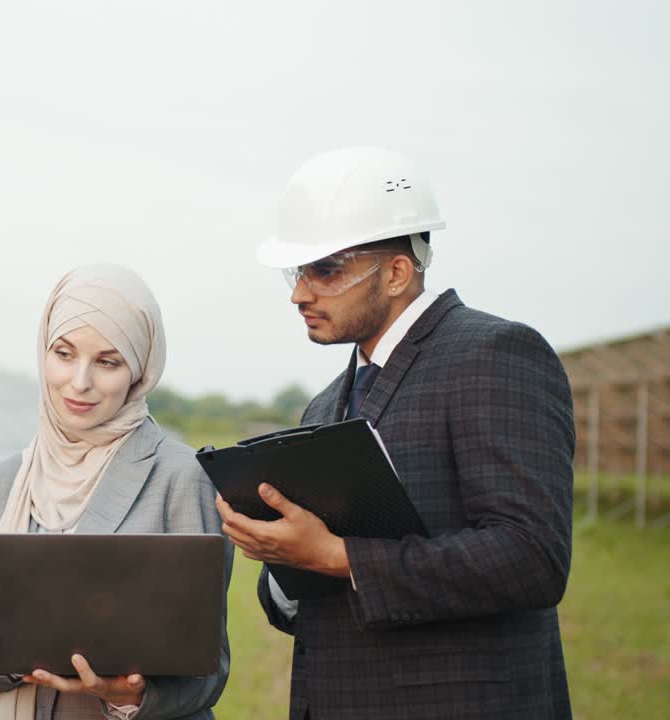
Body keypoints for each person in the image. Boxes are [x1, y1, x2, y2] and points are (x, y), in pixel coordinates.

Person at [217, 146, 574, 719]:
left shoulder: (496, 354)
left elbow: (532, 557)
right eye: (296, 271)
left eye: (324, 269)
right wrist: (283, 558)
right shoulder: (322, 407)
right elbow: (305, 604)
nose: (299, 293)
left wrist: (338, 556)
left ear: (397, 272)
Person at [0, 264, 232, 720]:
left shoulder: (179, 475)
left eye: (107, 361)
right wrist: (23, 655)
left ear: (139, 370)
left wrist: (128, 696)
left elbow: (208, 670)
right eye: (64, 353)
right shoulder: (6, 481)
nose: (79, 382)